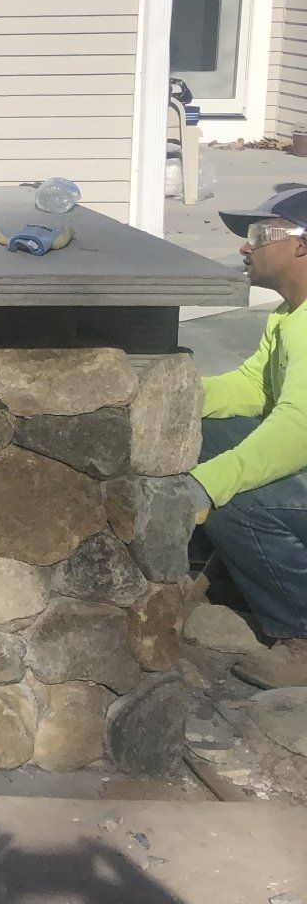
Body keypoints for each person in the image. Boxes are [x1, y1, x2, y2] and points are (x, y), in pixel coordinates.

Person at [193, 185, 307, 688]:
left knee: (238, 499)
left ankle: (299, 637)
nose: (245, 246)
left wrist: (208, 484)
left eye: (260, 235)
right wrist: (171, 396)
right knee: (194, 435)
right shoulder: (288, 315)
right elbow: (254, 388)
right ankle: (245, 568)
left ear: (300, 245)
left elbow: (298, 428)